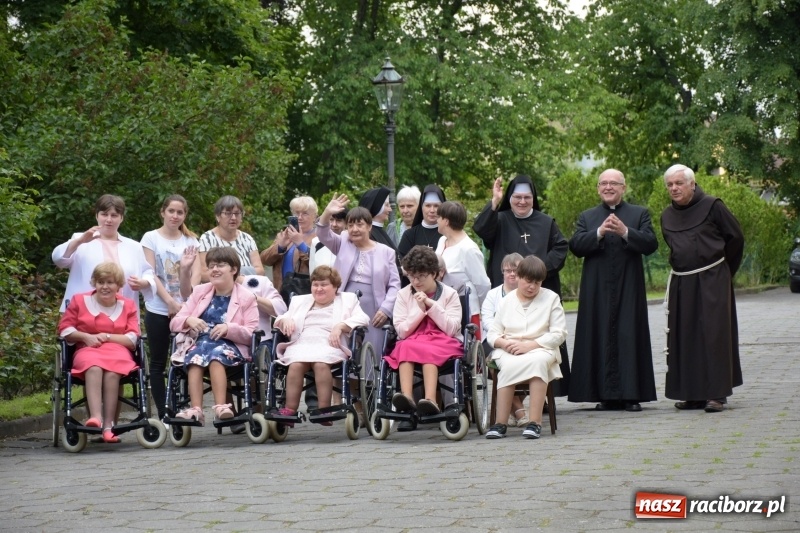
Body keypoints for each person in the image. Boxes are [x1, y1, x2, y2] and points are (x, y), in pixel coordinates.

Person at [568, 169, 659, 412]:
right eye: (604, 183)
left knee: (629, 335)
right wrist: (598, 233)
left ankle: (631, 395)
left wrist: (625, 232)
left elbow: (651, 244)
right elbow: (576, 246)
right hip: (596, 290)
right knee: (599, 335)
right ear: (598, 188)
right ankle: (603, 395)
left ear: (623, 188)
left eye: (614, 183)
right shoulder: (587, 217)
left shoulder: (639, 214)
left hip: (629, 288)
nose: (608, 187)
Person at [473, 175, 571, 396]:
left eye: (527, 197)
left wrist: (536, 272)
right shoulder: (500, 219)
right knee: (509, 338)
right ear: (509, 198)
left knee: (539, 335)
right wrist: (494, 202)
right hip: (508, 292)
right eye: (517, 197)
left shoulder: (546, 222)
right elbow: (480, 229)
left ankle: (543, 394)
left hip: (539, 290)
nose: (522, 202)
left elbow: (561, 248)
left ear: (533, 198)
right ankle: (513, 396)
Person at [661, 164, 744, 413]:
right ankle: (691, 393)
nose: (674, 188)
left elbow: (736, 238)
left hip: (712, 278)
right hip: (682, 281)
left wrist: (724, 272)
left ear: (692, 184)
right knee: (685, 336)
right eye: (670, 185)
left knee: (714, 334)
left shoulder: (713, 205)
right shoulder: (666, 215)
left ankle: (716, 394)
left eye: (679, 183)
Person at [170, 247, 259, 425]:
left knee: (215, 355)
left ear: (233, 270)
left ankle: (221, 406)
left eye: (220, 265)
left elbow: (252, 332)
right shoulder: (200, 292)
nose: (214, 269)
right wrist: (189, 320)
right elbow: (174, 323)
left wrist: (229, 328)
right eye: (211, 266)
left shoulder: (246, 297)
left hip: (231, 346)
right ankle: (196, 410)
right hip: (200, 343)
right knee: (194, 356)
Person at [273, 266, 370, 425]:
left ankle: (324, 410)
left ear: (335, 286)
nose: (318, 288)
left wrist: (340, 326)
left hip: (329, 343)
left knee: (320, 363)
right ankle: (289, 410)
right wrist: (286, 320)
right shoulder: (300, 301)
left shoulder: (348, 300)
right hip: (301, 342)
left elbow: (363, 319)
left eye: (323, 284)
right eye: (315, 284)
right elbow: (280, 319)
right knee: (296, 365)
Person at [485, 255, 567, 440]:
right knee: (508, 365)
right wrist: (504, 344)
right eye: (528, 281)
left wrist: (530, 345)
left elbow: (559, 333)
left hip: (541, 347)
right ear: (519, 277)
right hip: (510, 348)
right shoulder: (506, 301)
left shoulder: (551, 298)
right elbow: (493, 333)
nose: (532, 287)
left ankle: (534, 423)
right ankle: (500, 423)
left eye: (537, 283)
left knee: (538, 362)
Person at [57, 262, 140, 443]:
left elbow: (132, 338)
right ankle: (95, 418)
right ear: (94, 282)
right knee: (93, 367)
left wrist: (107, 336)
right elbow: (64, 329)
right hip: (88, 348)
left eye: (110, 282)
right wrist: (85, 336)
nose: (105, 287)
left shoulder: (128, 305)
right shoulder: (80, 300)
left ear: (118, 285)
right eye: (100, 282)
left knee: (112, 373)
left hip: (118, 351)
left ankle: (109, 426)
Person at [385, 246, 463, 416]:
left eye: (421, 276)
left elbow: (452, 328)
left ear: (434, 273)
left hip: (443, 340)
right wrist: (419, 311)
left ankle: (430, 400)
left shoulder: (450, 294)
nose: (416, 281)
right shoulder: (403, 295)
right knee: (404, 347)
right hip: (413, 338)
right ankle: (406, 397)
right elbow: (402, 331)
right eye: (412, 276)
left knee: (429, 350)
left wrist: (430, 304)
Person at [141, 195, 200, 420]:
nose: (175, 216)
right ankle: (163, 411)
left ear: (185, 215)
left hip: (187, 311)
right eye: (171, 211)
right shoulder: (150, 238)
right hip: (159, 308)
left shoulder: (192, 241)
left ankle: (183, 406)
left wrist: (185, 304)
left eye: (180, 212)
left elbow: (195, 277)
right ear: (163, 212)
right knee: (158, 362)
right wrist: (169, 302)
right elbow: (150, 272)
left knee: (185, 359)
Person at [316, 196, 401, 352]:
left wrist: (386, 309)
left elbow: (395, 285)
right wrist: (327, 212)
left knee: (371, 353)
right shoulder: (342, 242)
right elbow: (322, 234)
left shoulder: (386, 252)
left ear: (369, 227)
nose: (354, 229)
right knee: (341, 351)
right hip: (345, 305)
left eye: (359, 224)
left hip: (375, 310)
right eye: (350, 225)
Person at [52, 194, 155, 314]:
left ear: (121, 218)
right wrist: (79, 241)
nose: (109, 220)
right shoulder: (80, 239)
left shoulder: (133, 247)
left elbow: (147, 272)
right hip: (84, 311)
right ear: (97, 216)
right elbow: (58, 259)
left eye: (114, 215)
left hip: (122, 312)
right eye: (104, 214)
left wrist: (144, 282)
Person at [480, 253, 527, 426]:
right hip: (494, 340)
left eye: (516, 270)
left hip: (520, 339)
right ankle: (518, 409)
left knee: (526, 359)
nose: (512, 274)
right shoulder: (492, 295)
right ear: (502, 272)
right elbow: (487, 320)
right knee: (496, 363)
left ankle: (508, 407)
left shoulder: (527, 293)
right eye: (508, 270)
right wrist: (502, 337)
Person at [435, 201, 490, 335]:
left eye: (439, 217)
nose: (436, 220)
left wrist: (480, 308)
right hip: (441, 305)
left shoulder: (468, 249)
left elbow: (483, 284)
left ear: (446, 221)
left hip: (466, 309)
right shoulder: (442, 241)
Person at [196, 195, 264, 283]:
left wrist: (233, 275)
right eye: (228, 213)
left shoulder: (247, 239)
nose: (233, 218)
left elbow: (260, 271)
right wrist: (235, 275)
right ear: (218, 216)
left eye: (237, 213)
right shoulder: (207, 239)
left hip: (247, 290)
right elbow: (203, 275)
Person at [261, 195, 318, 296]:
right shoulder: (285, 234)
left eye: (305, 213)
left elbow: (319, 266)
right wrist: (280, 247)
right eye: (296, 213)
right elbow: (264, 260)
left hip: (304, 293)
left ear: (314, 217)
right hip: (279, 293)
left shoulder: (318, 237)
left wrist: (301, 245)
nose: (300, 217)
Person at [397, 185, 446, 261]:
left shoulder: (448, 234)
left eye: (436, 206)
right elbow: (401, 263)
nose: (432, 210)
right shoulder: (410, 235)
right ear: (421, 207)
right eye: (428, 205)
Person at [310, 207, 347, 271]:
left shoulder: (350, 244)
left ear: (346, 223)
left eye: (339, 220)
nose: (334, 224)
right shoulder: (316, 242)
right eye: (331, 220)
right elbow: (312, 271)